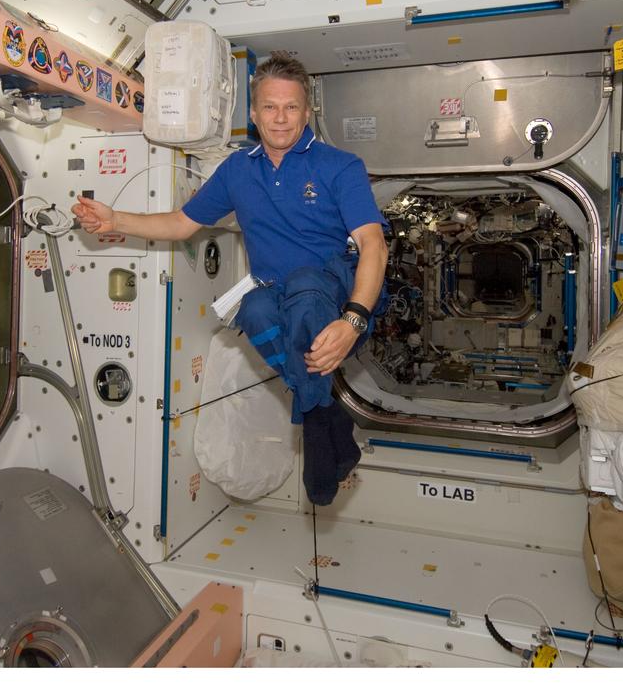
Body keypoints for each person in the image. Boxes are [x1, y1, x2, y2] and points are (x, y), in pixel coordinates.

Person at [72, 52, 389, 505]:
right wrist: (115, 219)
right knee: (254, 309)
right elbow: (181, 223)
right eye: (270, 107)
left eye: (292, 107)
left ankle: (320, 424)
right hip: (277, 295)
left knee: (304, 288)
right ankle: (322, 412)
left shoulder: (340, 166)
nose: (280, 118)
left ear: (307, 112)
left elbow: (374, 245)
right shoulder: (238, 170)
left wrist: (353, 320)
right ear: (253, 115)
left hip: (334, 296)